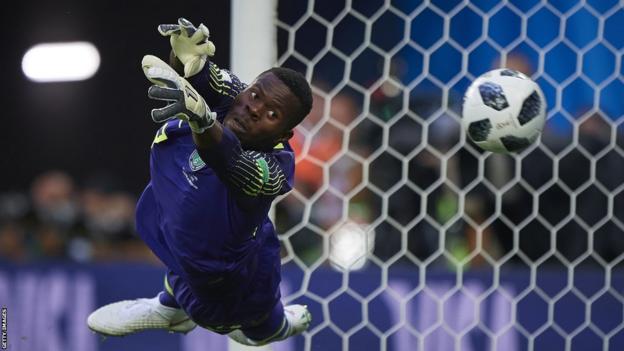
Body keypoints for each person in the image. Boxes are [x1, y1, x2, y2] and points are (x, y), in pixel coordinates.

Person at [87, 18, 313, 346]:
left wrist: (203, 121)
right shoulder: (236, 98)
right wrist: (185, 58)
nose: (253, 108)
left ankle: (277, 325)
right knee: (188, 243)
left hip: (227, 280)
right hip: (180, 229)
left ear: (283, 134)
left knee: (255, 326)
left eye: (272, 114)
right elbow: (198, 77)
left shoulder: (275, 167)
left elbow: (232, 163)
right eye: (255, 94)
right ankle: (170, 305)